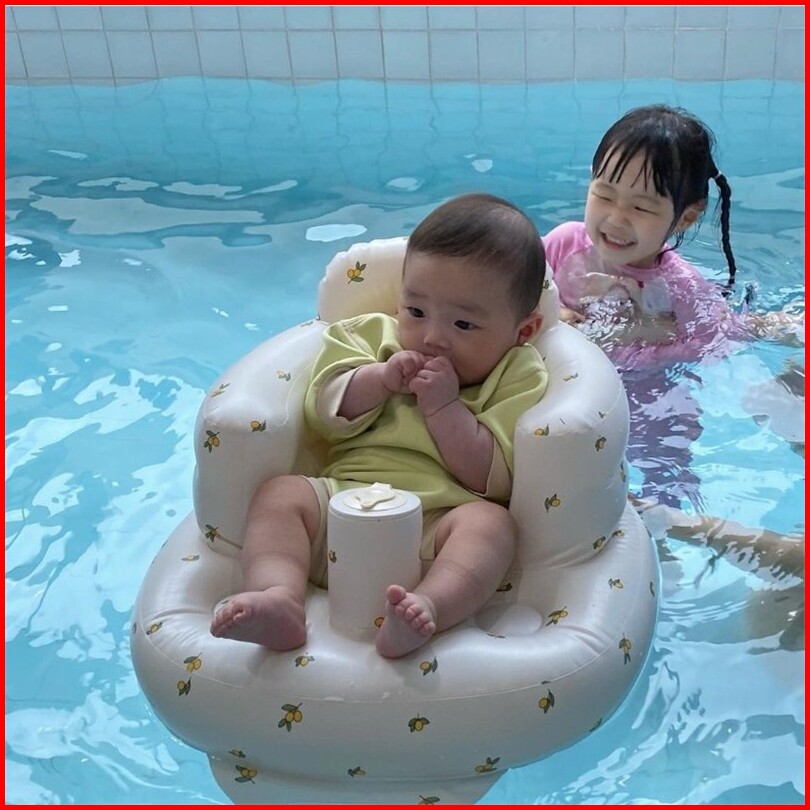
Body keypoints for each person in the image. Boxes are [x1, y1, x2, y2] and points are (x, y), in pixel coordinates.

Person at [210, 193, 548, 658]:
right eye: (416, 312)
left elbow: (491, 478)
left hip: (435, 531)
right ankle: (279, 596)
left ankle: (426, 608)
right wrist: (378, 379)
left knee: (492, 527)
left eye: (464, 325)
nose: (433, 337)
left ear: (523, 331)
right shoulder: (370, 336)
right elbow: (324, 413)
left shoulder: (518, 373)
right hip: (339, 509)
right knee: (281, 495)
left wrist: (445, 409)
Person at [542, 104, 802, 509]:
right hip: (569, 389)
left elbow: (712, 342)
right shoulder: (563, 244)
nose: (615, 218)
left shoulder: (680, 288)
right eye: (604, 194)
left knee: (668, 463)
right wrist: (552, 315)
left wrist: (640, 336)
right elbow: (517, 294)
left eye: (641, 207)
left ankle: (667, 524)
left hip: (650, 393)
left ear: (685, 217)